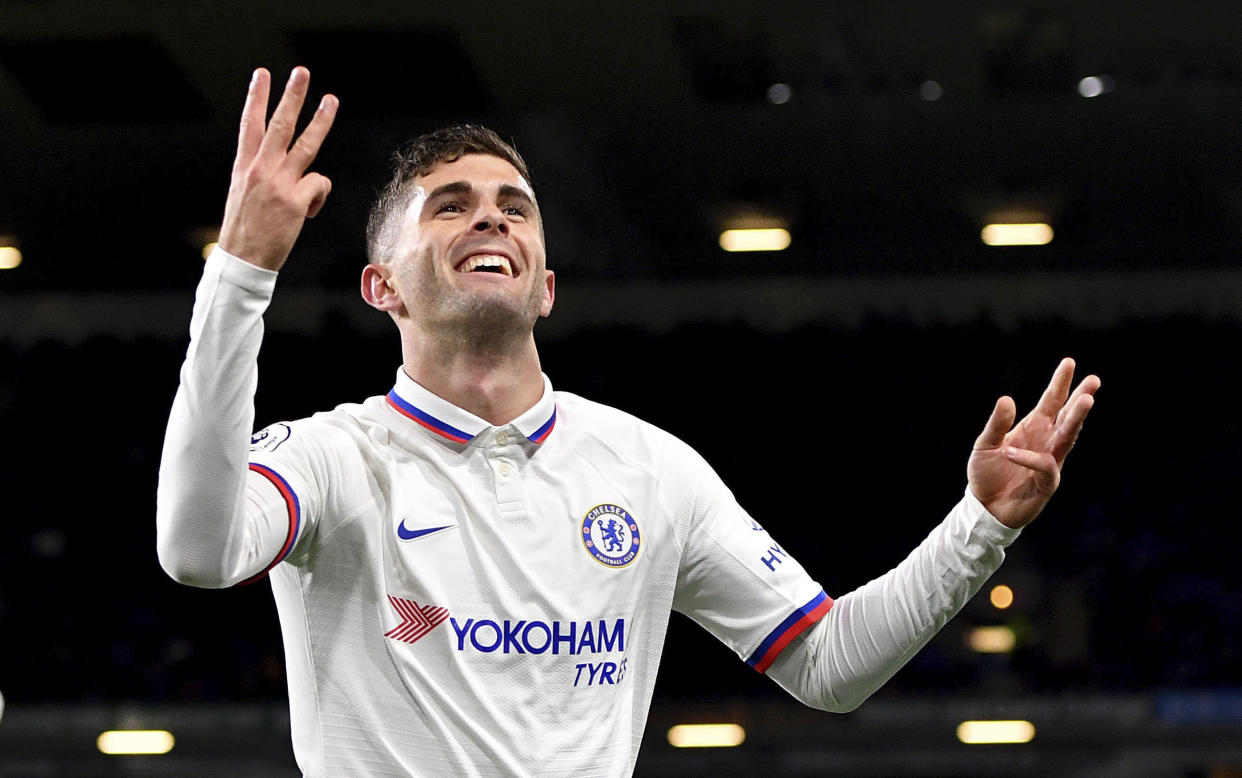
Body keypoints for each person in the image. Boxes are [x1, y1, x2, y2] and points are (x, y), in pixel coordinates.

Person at [156, 67, 1100, 777]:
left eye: (514, 210)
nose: (492, 222)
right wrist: (241, 270)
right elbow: (197, 550)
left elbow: (827, 663)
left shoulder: (651, 471)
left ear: (547, 286)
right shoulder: (331, 458)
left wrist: (980, 528)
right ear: (382, 286)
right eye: (452, 207)